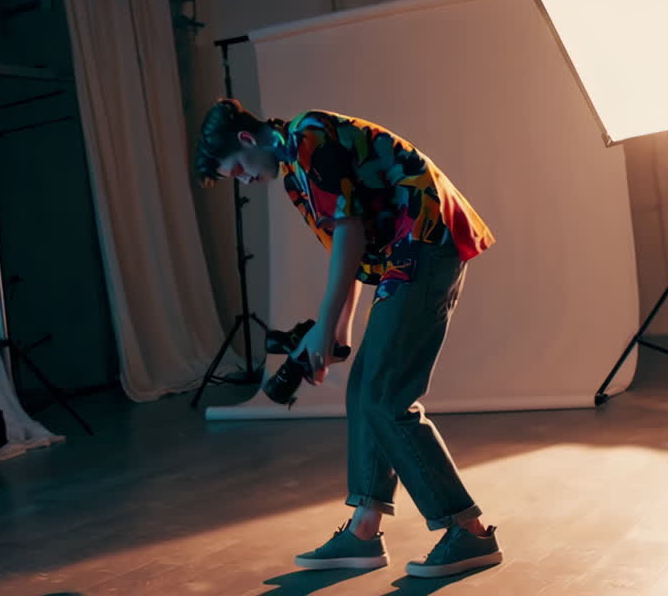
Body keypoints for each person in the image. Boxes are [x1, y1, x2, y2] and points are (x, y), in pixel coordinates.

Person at [195, 98, 502, 578]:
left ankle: (469, 531)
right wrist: (338, 328)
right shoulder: (296, 167)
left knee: (385, 398)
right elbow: (353, 245)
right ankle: (363, 533)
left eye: (236, 170)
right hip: (407, 253)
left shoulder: (309, 138)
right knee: (364, 394)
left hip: (425, 240)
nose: (245, 181)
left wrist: (324, 322)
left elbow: (350, 231)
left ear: (247, 140)